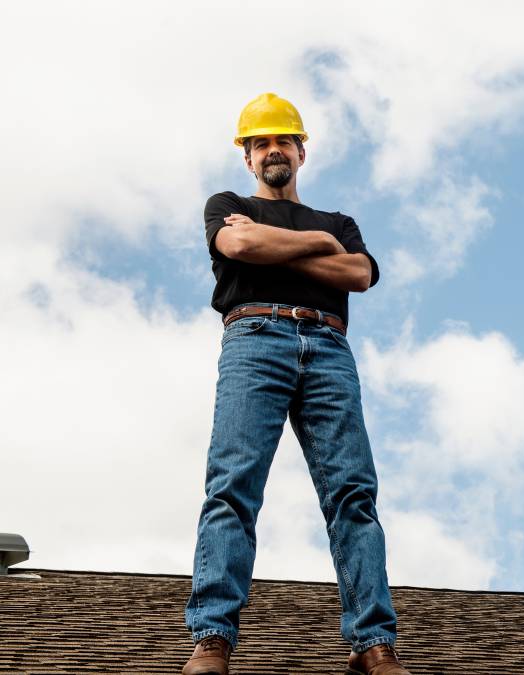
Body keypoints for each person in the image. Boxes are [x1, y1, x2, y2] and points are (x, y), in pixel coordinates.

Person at [182, 92, 412, 675]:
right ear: (248, 158)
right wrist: (317, 248)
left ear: (301, 152)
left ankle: (373, 646)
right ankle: (212, 641)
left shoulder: (340, 223)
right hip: (255, 337)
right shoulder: (228, 206)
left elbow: (358, 274)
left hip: (330, 347)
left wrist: (272, 248)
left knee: (353, 496)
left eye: (283, 140)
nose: (272, 150)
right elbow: (236, 244)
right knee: (232, 487)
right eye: (261, 143)